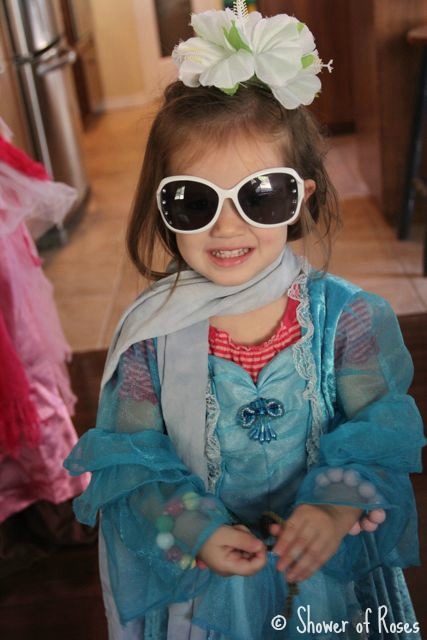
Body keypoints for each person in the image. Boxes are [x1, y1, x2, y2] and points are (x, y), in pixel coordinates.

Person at [65, 3, 425, 639]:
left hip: (328, 584)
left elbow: (379, 434)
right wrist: (196, 529)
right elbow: (133, 462)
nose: (227, 227)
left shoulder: (343, 319)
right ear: (163, 206)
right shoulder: (153, 339)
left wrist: (335, 506)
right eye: (195, 201)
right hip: (207, 594)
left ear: (301, 197)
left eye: (261, 195)